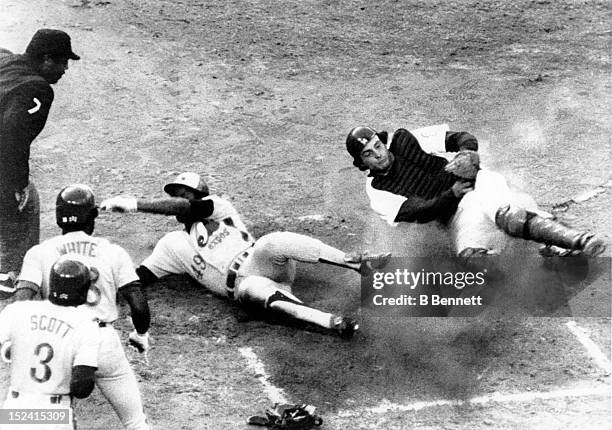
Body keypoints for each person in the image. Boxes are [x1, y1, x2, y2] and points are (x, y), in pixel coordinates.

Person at [100, 172, 391, 338]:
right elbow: (138, 279)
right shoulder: (173, 244)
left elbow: (188, 209)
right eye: (175, 193)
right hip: (244, 289)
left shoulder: (218, 207)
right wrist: (99, 288)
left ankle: (355, 263)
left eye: (183, 193)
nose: (178, 199)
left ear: (200, 194)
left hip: (262, 262)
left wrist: (135, 205)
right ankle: (331, 322)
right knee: (250, 287)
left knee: (271, 242)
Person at [345, 124, 605, 258]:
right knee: (472, 259)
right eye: (369, 154)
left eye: (378, 145)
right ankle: (541, 242)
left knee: (506, 216)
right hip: (457, 216)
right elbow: (419, 212)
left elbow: (461, 137)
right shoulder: (377, 190)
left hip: (480, 184)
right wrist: (452, 195)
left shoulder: (406, 137)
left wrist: (467, 153)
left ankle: (578, 240)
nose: (378, 154)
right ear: (361, 163)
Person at [14, 184, 152, 430]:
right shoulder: (113, 252)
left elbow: (22, 300)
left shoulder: (39, 253)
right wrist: (140, 334)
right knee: (135, 422)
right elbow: (139, 305)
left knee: (41, 420)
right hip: (103, 340)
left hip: (60, 341)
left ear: (58, 217)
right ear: (92, 216)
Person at [0, 29, 80, 298]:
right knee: (25, 200)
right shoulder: (37, 89)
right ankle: (11, 273)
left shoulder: (6, 61)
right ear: (46, 59)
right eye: (62, 62)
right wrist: (17, 184)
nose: (65, 69)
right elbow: (12, 135)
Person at [0, 257, 100, 430]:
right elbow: (82, 387)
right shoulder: (85, 324)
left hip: (15, 409)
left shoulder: (17, 310)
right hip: (55, 412)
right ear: (83, 292)